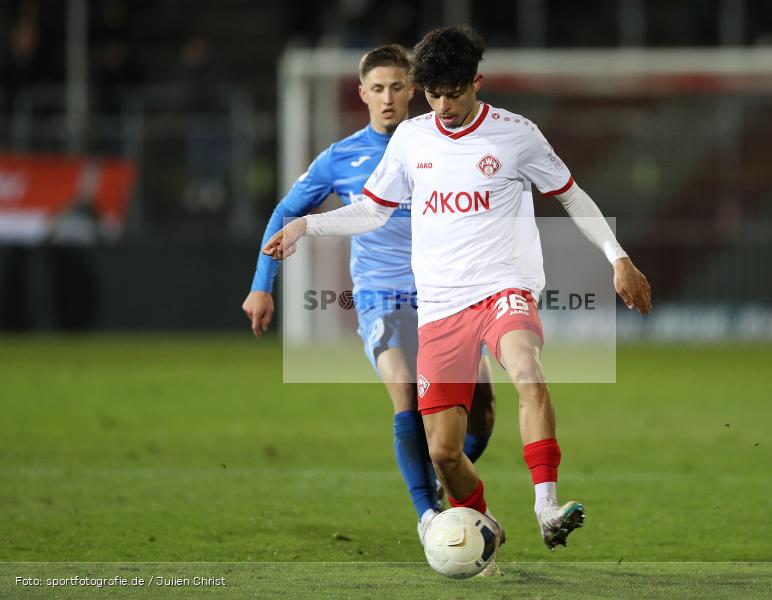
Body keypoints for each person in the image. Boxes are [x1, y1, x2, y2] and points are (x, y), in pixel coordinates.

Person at [263, 27, 652, 553]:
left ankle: (547, 507)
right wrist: (305, 226)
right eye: (433, 95)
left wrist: (617, 257)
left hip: (502, 287)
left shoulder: (517, 135)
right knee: (444, 452)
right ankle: (483, 527)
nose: (443, 106)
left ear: (477, 83)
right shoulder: (412, 139)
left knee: (527, 370)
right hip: (440, 306)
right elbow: (373, 211)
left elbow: (572, 196)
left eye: (454, 93)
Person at [242, 44, 496, 542]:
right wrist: (261, 286)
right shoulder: (340, 158)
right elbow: (286, 213)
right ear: (362, 94)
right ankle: (429, 516)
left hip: (445, 296)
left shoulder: (442, 145)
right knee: (405, 391)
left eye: (397, 87)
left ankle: (441, 478)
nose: (388, 98)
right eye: (377, 88)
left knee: (482, 412)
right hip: (381, 295)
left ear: (413, 90)